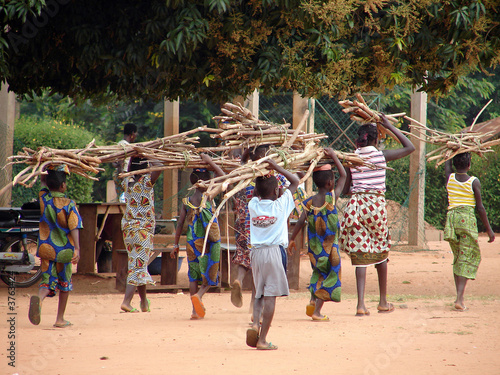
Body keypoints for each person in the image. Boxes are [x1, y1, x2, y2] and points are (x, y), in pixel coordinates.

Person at [340, 114, 415, 316]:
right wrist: (389, 126)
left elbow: (346, 189)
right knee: (381, 249)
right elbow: (410, 147)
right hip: (376, 208)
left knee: (361, 254)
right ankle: (383, 301)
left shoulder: (351, 158)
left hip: (356, 207)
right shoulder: (381, 156)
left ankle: (361, 305)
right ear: (376, 140)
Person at [246, 158, 299, 350]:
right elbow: (295, 182)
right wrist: (276, 167)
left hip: (256, 254)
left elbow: (255, 192)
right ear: (276, 191)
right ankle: (262, 339)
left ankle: (254, 324)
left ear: (257, 192)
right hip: (274, 254)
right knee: (270, 296)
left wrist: (260, 174)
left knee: (259, 293)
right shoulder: (281, 205)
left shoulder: (253, 205)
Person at [289, 148, 346, 321]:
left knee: (318, 274)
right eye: (333, 180)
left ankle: (313, 300)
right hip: (331, 252)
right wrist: (335, 157)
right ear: (330, 183)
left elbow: (300, 222)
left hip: (314, 251)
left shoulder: (308, 203)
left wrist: (292, 239)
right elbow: (343, 175)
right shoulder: (332, 198)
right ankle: (317, 312)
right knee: (331, 277)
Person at [230, 145, 288, 310]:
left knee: (244, 255)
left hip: (244, 221)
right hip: (265, 226)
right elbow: (283, 192)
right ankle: (253, 306)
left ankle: (239, 280)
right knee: (260, 270)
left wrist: (244, 158)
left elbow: (238, 172)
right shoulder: (274, 177)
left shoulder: (246, 173)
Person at [28, 164, 82, 328]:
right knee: (64, 283)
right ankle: (60, 319)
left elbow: (43, 182)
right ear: (63, 185)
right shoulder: (70, 204)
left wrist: (45, 167)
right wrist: (78, 248)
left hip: (46, 248)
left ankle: (40, 299)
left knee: (47, 280)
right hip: (64, 251)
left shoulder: (44, 198)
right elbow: (74, 227)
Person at [173, 154, 225, 319]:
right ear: (208, 181)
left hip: (191, 242)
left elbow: (180, 224)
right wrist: (211, 162)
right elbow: (223, 176)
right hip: (208, 243)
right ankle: (200, 295)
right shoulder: (208, 196)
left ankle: (195, 312)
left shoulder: (187, 200)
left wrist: (175, 245)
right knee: (212, 270)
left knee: (193, 275)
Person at [444, 153, 495, 311]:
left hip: (452, 220)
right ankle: (460, 298)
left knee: (459, 257)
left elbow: (447, 164)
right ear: (469, 165)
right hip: (467, 220)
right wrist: (489, 230)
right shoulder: (474, 181)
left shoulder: (449, 178)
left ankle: (459, 297)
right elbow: (480, 208)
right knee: (469, 256)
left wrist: (449, 151)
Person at [120, 157, 162, 313]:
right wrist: (151, 155)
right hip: (142, 230)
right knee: (137, 266)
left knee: (139, 263)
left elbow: (125, 167)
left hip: (128, 229)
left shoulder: (126, 181)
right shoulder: (145, 182)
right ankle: (126, 301)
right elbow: (160, 165)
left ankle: (144, 301)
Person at [113, 123, 138, 202]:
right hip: (124, 174)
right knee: (126, 199)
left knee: (121, 198)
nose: (136, 135)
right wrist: (123, 176)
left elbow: (114, 163)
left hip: (118, 174)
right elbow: (121, 162)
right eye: (136, 133)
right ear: (132, 133)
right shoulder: (126, 146)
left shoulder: (118, 144)